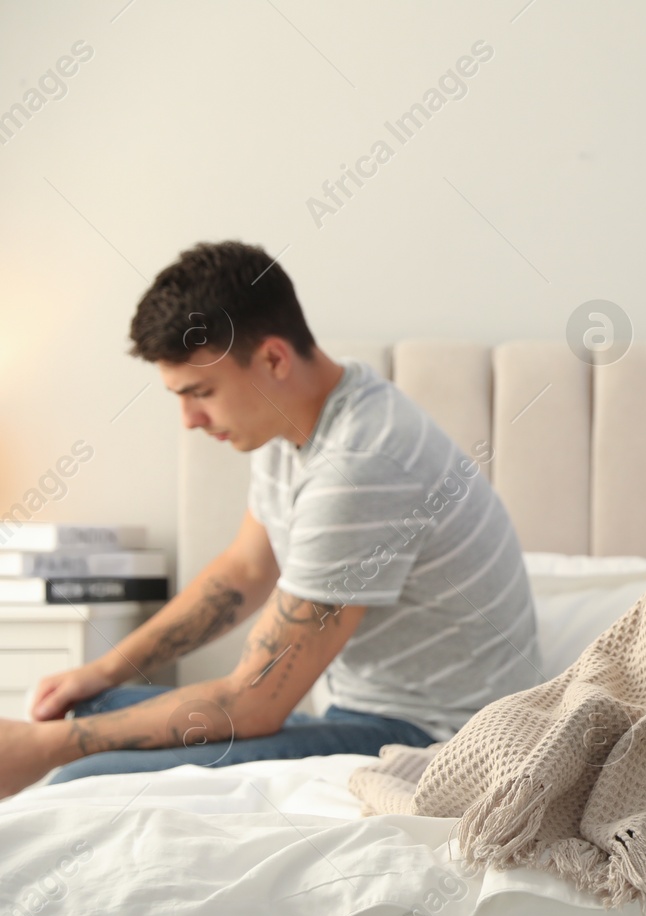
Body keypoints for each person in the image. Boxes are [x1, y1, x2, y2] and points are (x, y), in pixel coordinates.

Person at [0, 240, 539, 796]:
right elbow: (243, 570)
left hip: (431, 741)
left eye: (201, 392)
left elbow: (254, 703)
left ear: (274, 359)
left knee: (79, 779)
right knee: (88, 706)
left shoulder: (361, 466)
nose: (189, 420)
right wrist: (103, 670)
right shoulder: (299, 416)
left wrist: (43, 749)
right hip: (363, 716)